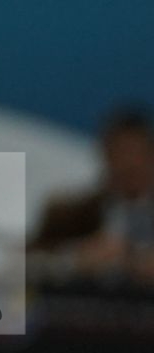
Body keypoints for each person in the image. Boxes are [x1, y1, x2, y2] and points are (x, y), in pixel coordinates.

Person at [31, 106, 154, 283]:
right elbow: (16, 267)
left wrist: (135, 261)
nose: (129, 163)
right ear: (105, 155)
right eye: (120, 152)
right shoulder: (66, 215)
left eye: (137, 153)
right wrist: (72, 261)